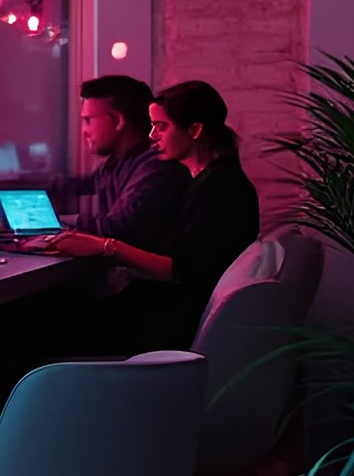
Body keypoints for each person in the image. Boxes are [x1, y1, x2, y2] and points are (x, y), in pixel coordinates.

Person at [42, 80, 260, 348]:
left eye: (162, 127)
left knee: (41, 325)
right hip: (173, 309)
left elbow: (182, 272)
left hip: (173, 321)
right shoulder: (212, 180)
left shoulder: (219, 188)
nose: (152, 135)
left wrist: (105, 247)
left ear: (195, 130)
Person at [48, 74, 188, 249]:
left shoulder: (155, 167)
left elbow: (117, 228)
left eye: (88, 120)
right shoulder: (116, 164)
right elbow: (83, 184)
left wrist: (55, 224)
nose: (84, 131)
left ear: (118, 121)